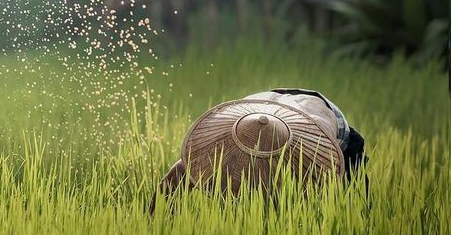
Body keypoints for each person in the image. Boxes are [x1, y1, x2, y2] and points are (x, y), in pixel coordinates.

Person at [150, 88, 367, 212]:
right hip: (262, 108)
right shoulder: (221, 143)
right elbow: (179, 174)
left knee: (354, 203)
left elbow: (320, 187)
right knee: (251, 194)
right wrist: (154, 219)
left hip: (324, 126)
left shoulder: (319, 143)